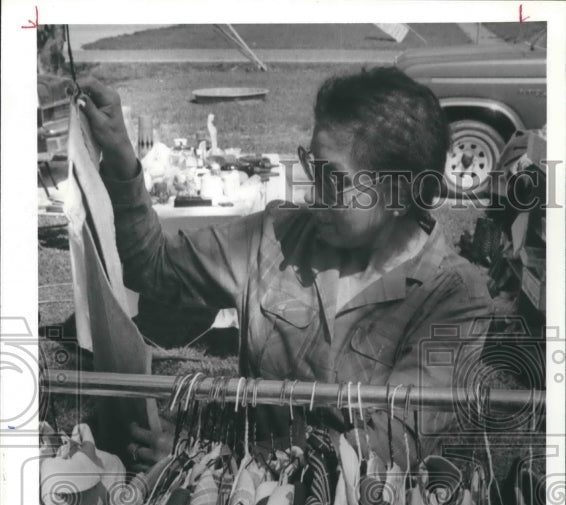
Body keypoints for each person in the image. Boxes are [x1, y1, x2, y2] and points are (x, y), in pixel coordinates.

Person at [79, 67, 494, 471]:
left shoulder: (453, 297)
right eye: (311, 167)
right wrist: (120, 155)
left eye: (333, 179)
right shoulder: (278, 234)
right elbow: (152, 266)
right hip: (245, 501)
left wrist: (211, 459)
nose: (313, 193)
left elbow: (386, 450)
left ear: (398, 195)